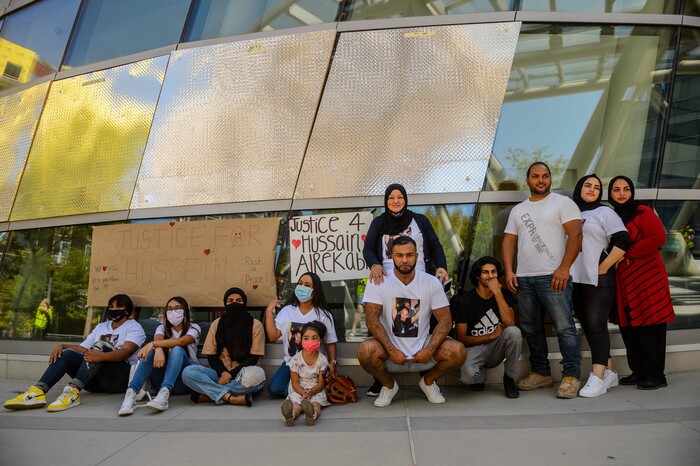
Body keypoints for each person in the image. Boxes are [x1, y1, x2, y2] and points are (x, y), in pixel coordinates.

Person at [502, 161, 583, 399]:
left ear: (550, 179)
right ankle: (541, 373)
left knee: (564, 328)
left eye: (545, 176)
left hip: (554, 276)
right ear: (527, 180)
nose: (541, 180)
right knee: (531, 328)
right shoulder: (518, 210)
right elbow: (508, 241)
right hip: (525, 278)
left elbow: (576, 235)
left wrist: (564, 268)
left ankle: (571, 376)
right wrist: (509, 271)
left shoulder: (563, 203)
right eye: (536, 176)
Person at [358, 236, 466, 407]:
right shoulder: (378, 282)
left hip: (423, 348)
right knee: (365, 351)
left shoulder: (431, 283)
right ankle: (389, 386)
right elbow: (372, 320)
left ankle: (428, 382)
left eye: (409, 255)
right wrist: (392, 350)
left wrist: (429, 350)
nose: (405, 260)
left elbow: (445, 321)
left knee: (458, 351)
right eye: (399, 255)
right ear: (391, 256)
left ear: (417, 256)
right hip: (390, 352)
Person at [363, 183, 449, 396]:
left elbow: (435, 245)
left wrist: (441, 267)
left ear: (406, 199)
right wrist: (374, 264)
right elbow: (367, 249)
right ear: (386, 201)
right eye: (391, 197)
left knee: (426, 322)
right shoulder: (379, 222)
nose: (395, 201)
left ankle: (426, 372)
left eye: (399, 196)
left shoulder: (419, 220)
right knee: (380, 322)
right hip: (387, 279)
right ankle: (381, 380)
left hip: (420, 277)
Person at [4, 294, 145, 412]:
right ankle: (38, 391)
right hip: (94, 380)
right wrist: (63, 345)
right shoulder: (101, 327)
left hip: (118, 378)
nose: (114, 310)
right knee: (67, 354)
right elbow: (84, 349)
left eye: (119, 307)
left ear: (127, 311)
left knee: (101, 346)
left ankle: (72, 392)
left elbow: (126, 351)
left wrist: (102, 355)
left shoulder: (134, 327)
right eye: (111, 307)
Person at [608, 176, 675, 390]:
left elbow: (657, 238)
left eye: (626, 189)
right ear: (610, 194)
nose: (622, 193)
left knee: (651, 325)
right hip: (623, 281)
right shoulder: (610, 216)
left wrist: (625, 255)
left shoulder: (642, 211)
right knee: (630, 326)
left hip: (648, 278)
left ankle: (656, 375)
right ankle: (638, 371)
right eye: (616, 189)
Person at [570, 175, 630, 397]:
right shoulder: (571, 212)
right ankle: (610, 371)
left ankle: (597, 377)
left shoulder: (605, 212)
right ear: (580, 188)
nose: (592, 190)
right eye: (588, 185)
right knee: (587, 326)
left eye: (597, 187)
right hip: (575, 279)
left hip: (598, 280)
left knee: (596, 326)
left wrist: (604, 266)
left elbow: (623, 239)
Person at [181, 288, 265, 406]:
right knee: (188, 372)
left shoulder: (255, 324)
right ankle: (231, 398)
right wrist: (224, 374)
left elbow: (253, 358)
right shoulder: (217, 324)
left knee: (256, 376)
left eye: (239, 300)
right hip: (219, 374)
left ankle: (209, 394)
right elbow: (211, 356)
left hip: (244, 375)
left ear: (244, 303)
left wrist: (230, 375)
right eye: (230, 301)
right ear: (225, 303)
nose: (234, 304)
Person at [118, 296, 201, 415]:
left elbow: (182, 341)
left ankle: (164, 395)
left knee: (177, 349)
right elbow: (158, 338)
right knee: (151, 351)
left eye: (178, 308)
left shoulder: (194, 328)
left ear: (185, 311)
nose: (173, 312)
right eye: (169, 309)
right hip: (159, 381)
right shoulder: (161, 327)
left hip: (184, 382)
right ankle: (131, 394)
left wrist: (153, 344)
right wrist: (157, 348)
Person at [454, 256, 521, 398]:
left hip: (496, 348)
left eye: (494, 272)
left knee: (514, 333)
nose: (490, 276)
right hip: (475, 349)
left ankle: (509, 379)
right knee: (467, 376)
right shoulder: (465, 301)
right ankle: (480, 376)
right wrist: (491, 335)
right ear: (478, 276)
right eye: (485, 272)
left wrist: (497, 293)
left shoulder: (504, 296)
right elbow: (461, 339)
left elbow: (510, 324)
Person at [265, 272, 338, 398]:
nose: (302, 287)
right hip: (292, 362)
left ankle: (301, 391)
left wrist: (332, 362)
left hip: (315, 365)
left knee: (300, 387)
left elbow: (330, 342)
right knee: (274, 389)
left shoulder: (323, 315)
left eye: (307, 285)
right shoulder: (287, 311)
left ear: (314, 292)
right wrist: (268, 311)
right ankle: (303, 391)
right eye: (300, 283)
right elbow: (272, 336)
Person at [280, 321, 330, 426]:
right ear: (300, 340)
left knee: (316, 404)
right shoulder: (295, 359)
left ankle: (311, 414)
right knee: (296, 405)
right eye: (306, 338)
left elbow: (321, 383)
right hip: (299, 388)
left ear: (320, 340)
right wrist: (303, 393)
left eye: (314, 338)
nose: (310, 341)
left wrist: (312, 391)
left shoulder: (322, 360)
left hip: (316, 388)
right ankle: (290, 414)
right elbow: (294, 382)